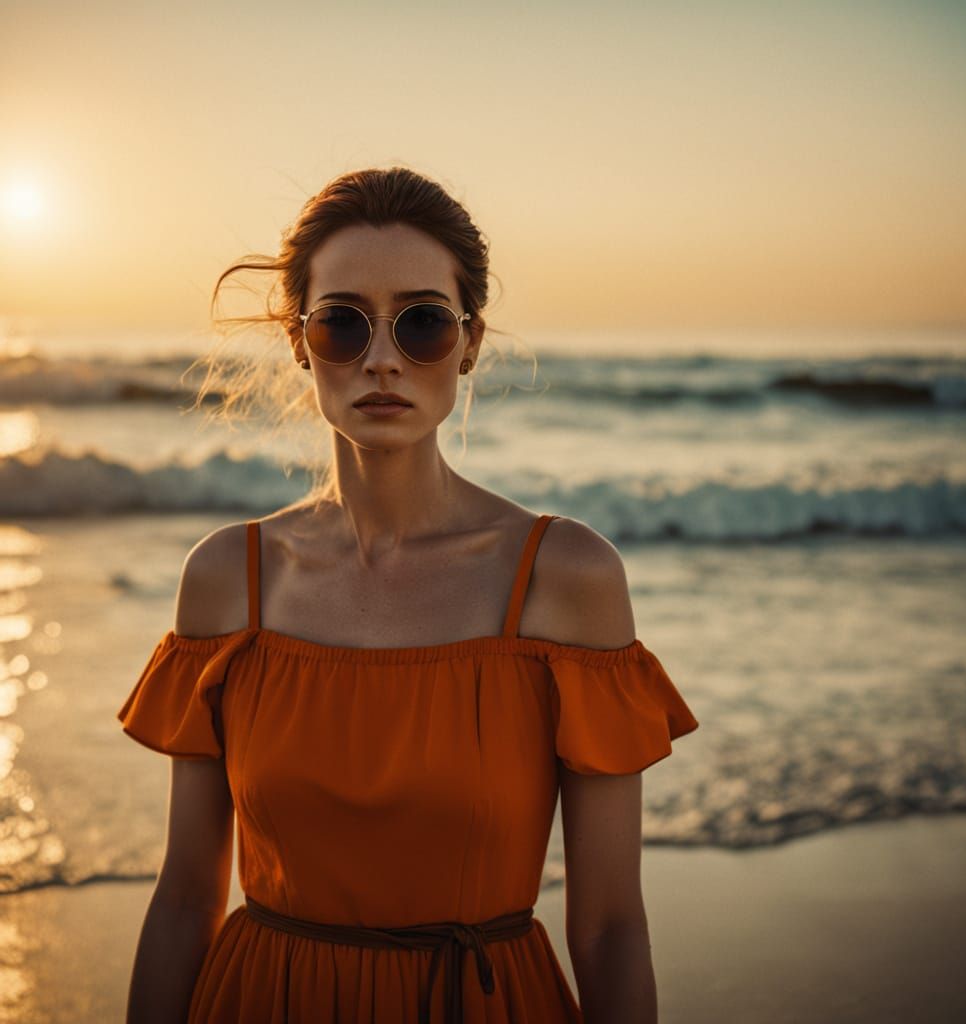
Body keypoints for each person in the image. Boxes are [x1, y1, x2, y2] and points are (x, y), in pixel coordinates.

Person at [117, 166, 699, 1024]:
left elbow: (610, 928)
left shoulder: (566, 580)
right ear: (298, 339)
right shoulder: (224, 581)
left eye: (421, 322)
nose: (381, 357)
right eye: (342, 323)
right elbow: (182, 903)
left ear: (469, 341)